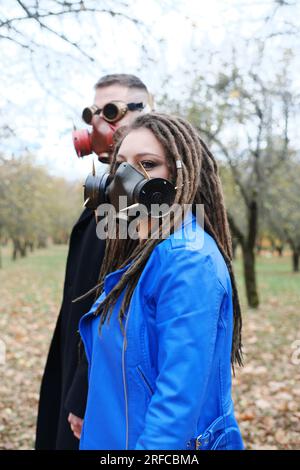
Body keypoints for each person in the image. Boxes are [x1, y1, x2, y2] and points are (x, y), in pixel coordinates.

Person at [78, 112, 245, 450]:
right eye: (121, 164)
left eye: (149, 164)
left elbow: (177, 405)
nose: (128, 177)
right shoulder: (141, 253)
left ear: (182, 177)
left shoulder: (186, 260)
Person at [35, 74, 153, 450]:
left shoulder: (146, 202)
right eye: (94, 113)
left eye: (112, 112)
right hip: (73, 351)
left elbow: (121, 303)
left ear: (145, 112)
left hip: (101, 375)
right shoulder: (108, 190)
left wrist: (85, 391)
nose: (99, 124)